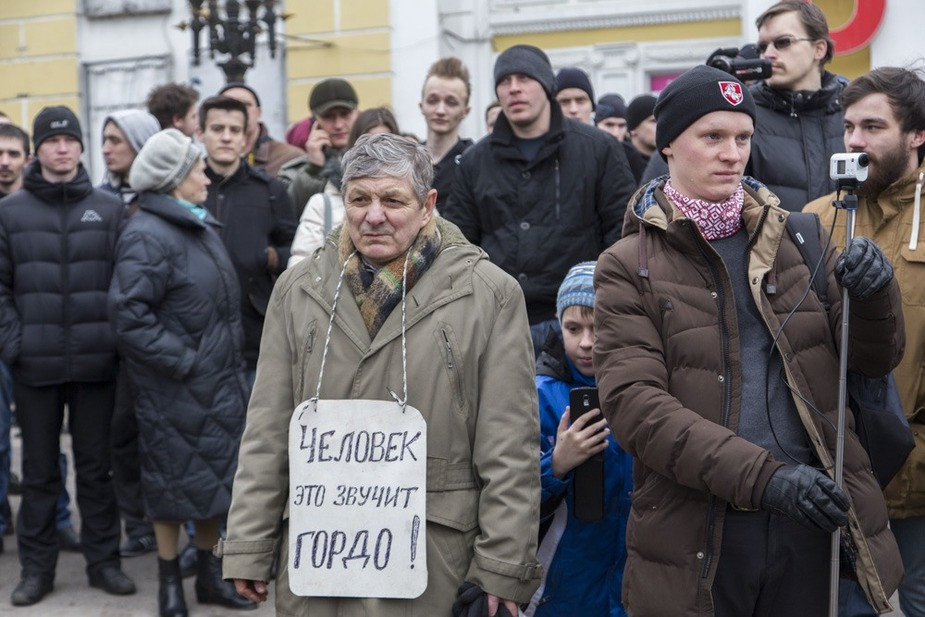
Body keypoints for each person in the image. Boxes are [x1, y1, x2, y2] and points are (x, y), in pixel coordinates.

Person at [593, 65, 904, 615]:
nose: (732, 154)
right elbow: (636, 408)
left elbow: (873, 361)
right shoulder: (627, 264)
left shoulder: (800, 237)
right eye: (711, 137)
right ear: (668, 144)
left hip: (809, 522)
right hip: (699, 533)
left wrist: (876, 297)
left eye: (742, 138)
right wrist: (768, 478)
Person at [219, 133, 542, 615]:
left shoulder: (488, 294)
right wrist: (249, 541)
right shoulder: (298, 289)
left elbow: (509, 444)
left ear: (427, 204)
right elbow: (267, 428)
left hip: (433, 558)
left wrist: (502, 564)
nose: (374, 215)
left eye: (392, 200)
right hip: (319, 552)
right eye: (360, 199)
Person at [108, 127, 257, 616]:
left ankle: (211, 578)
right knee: (171, 490)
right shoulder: (147, 233)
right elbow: (129, 315)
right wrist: (184, 360)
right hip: (175, 389)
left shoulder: (196, 224)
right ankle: (169, 584)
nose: (206, 175)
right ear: (174, 179)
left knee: (216, 485)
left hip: (216, 384)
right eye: (196, 169)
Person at [0, 106, 136, 606]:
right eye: (52, 141)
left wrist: (115, 342)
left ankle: (104, 563)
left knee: (96, 469)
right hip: (35, 367)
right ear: (38, 150)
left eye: (70, 140)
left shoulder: (109, 208)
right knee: (38, 472)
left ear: (81, 147)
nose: (62, 148)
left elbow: (126, 283)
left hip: (98, 365)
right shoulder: (9, 213)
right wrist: (14, 344)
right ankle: (36, 570)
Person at [804, 66, 925, 617]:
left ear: (916, 134)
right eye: (849, 126)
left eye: (872, 126)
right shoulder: (817, 219)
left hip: (917, 480)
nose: (854, 141)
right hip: (834, 473)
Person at [444, 44, 636, 354]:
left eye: (524, 78)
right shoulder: (474, 161)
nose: (514, 89)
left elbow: (622, 233)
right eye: (504, 82)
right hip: (499, 323)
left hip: (580, 323)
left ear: (546, 85)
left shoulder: (598, 150)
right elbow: (458, 246)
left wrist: (603, 301)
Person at [526, 262, 632, 617]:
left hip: (627, 585)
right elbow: (510, 491)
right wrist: (556, 463)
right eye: (573, 328)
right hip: (562, 588)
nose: (585, 343)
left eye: (598, 327)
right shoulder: (540, 396)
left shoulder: (642, 392)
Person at [97, 109, 162, 559]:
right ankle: (133, 521)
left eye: (117, 140)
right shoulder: (97, 199)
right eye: (104, 140)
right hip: (107, 340)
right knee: (118, 432)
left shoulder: (158, 200)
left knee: (156, 433)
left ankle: (164, 522)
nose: (107, 149)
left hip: (153, 335)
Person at [198, 95, 296, 387]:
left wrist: (271, 257)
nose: (226, 137)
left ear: (245, 137)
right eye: (217, 129)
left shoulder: (269, 191)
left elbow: (297, 249)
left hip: (255, 334)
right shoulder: (188, 188)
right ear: (200, 134)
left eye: (235, 130)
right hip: (199, 336)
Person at [748, 0, 846, 210]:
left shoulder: (855, 109)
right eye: (762, 47)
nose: (768, 54)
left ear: (819, 49)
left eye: (782, 42)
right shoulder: (744, 112)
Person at [288, 106, 399, 267]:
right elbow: (299, 277)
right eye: (367, 145)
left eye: (386, 145)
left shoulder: (416, 204)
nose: (377, 154)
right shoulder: (322, 204)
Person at [284, 78, 360, 218]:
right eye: (328, 117)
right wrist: (314, 169)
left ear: (357, 114)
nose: (338, 124)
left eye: (345, 114)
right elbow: (292, 216)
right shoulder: (293, 172)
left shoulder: (377, 157)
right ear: (315, 122)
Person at [218, 82, 306, 180]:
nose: (237, 110)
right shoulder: (205, 166)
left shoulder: (291, 158)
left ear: (258, 113)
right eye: (227, 104)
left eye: (245, 104)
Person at [420, 57, 473, 211]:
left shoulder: (475, 161)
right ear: (421, 105)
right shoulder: (406, 160)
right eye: (432, 100)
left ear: (466, 111)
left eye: (451, 102)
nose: (440, 110)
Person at [99, 109, 161, 202]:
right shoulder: (98, 201)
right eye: (105, 140)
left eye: (115, 141)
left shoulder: (167, 199)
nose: (105, 150)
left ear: (141, 144)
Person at [595, 94, 647, 183]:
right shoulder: (587, 152)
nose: (615, 132)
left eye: (621, 125)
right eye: (609, 125)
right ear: (596, 124)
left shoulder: (632, 156)